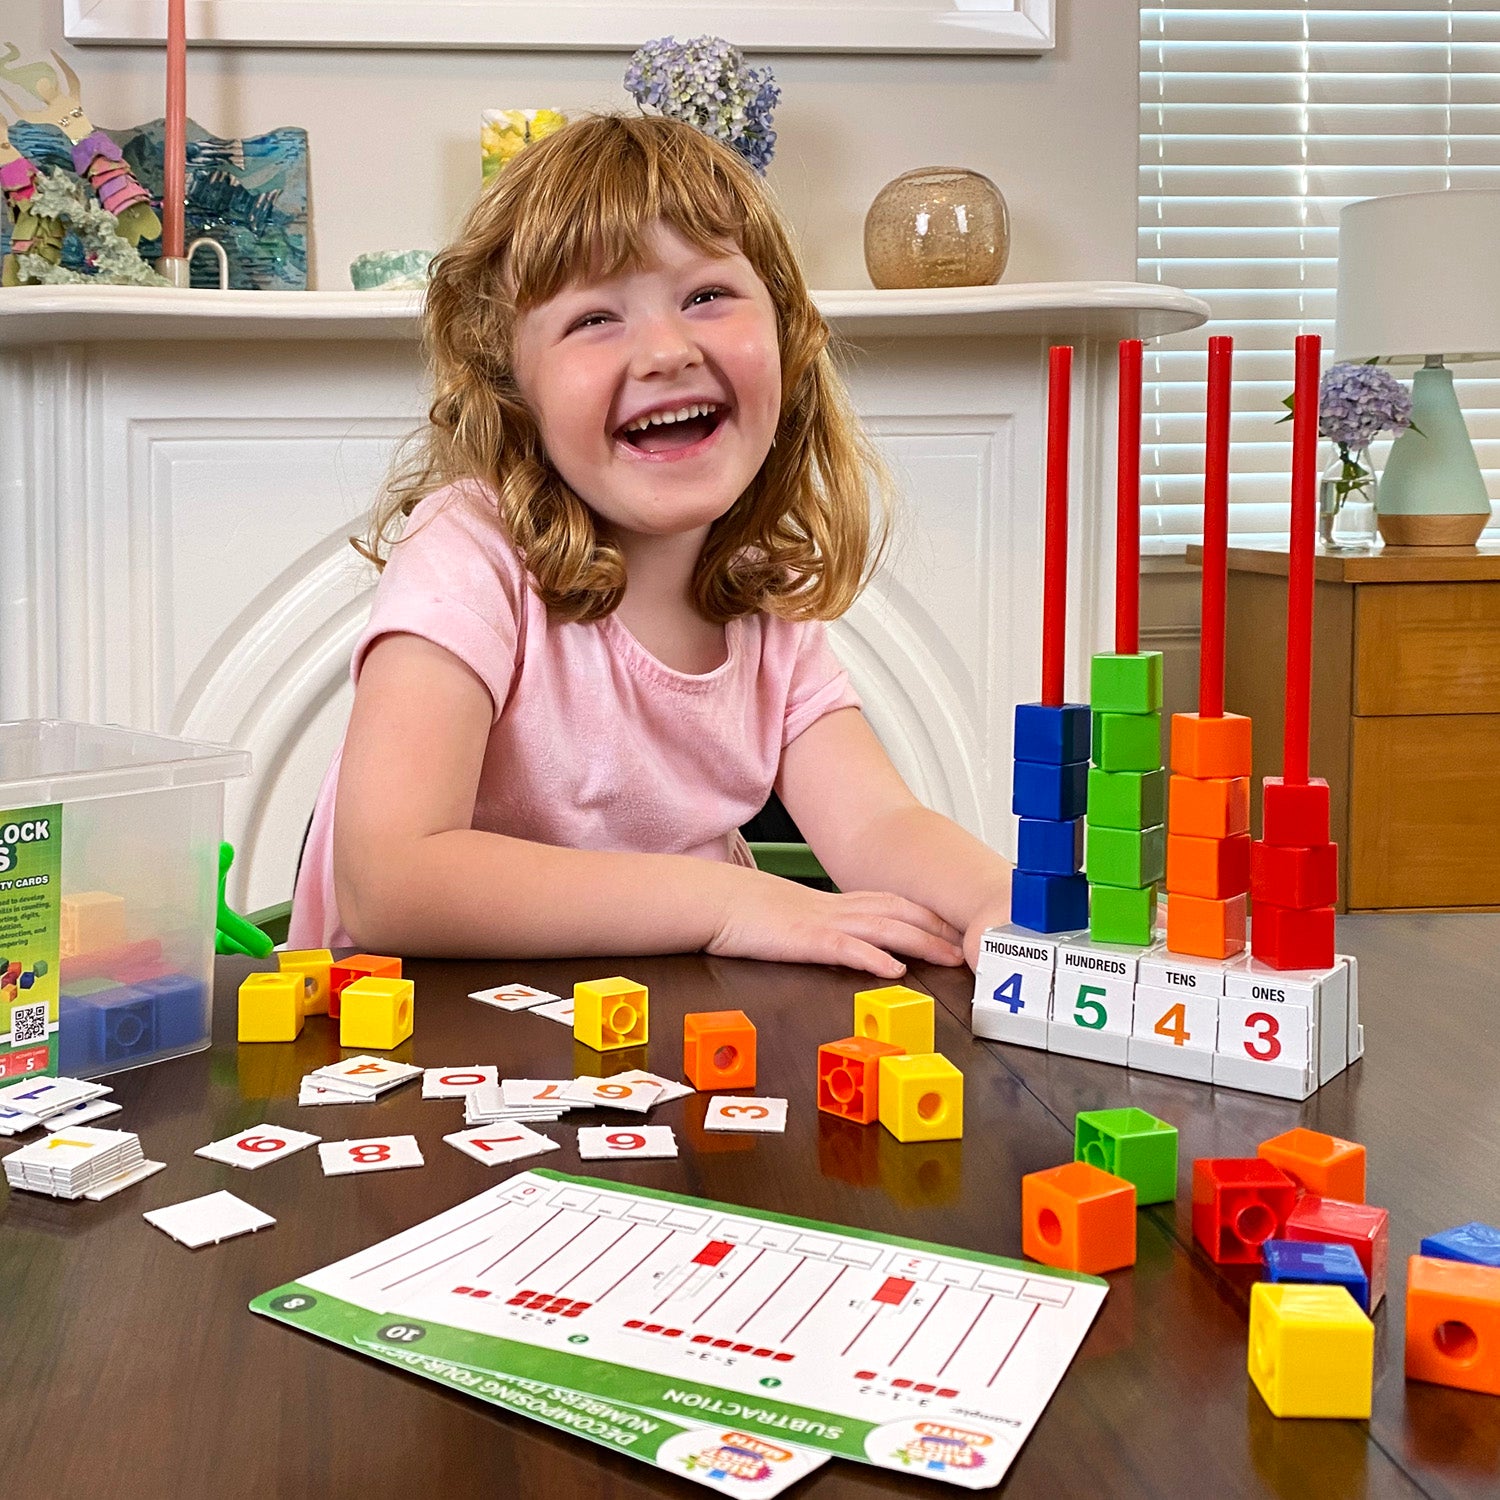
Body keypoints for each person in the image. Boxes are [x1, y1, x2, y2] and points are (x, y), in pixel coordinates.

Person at [288, 112, 1012, 978]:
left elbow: (876, 827)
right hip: (423, 1047)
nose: (667, 350)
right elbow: (390, 882)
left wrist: (1002, 904)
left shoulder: (764, 599)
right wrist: (734, 901)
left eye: (706, 295)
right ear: (512, 391)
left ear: (784, 334)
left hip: (647, 1046)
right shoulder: (467, 550)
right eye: (594, 318)